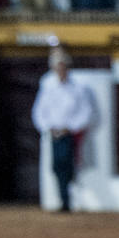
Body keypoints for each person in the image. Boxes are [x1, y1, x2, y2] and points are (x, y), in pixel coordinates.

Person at [30, 48, 95, 212]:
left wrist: (71, 127)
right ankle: (65, 198)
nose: (60, 71)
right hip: (54, 133)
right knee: (58, 165)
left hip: (69, 133)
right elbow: (39, 111)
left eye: (62, 67)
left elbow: (85, 111)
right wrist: (48, 128)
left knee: (66, 164)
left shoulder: (77, 88)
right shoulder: (49, 88)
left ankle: (67, 198)